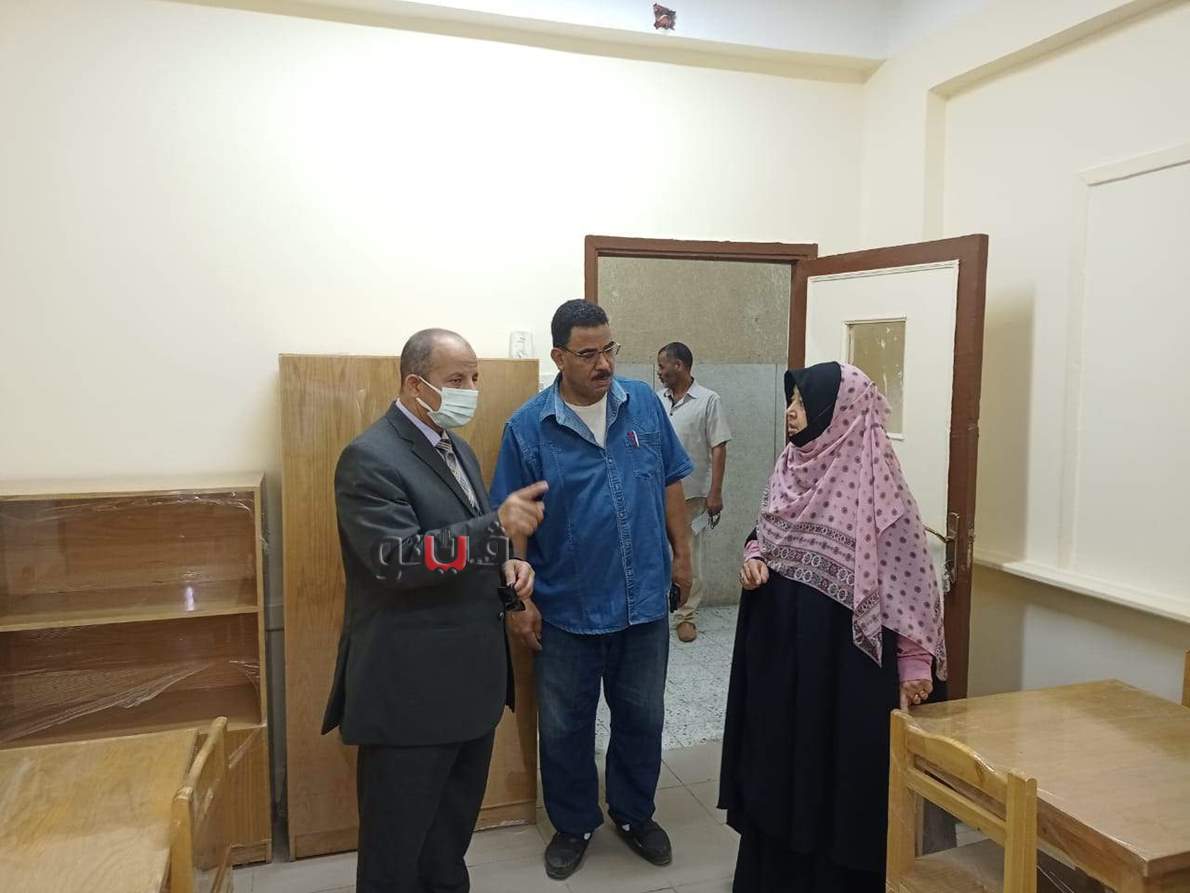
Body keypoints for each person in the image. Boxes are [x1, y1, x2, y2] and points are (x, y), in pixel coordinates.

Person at [322, 328, 548, 893]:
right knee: (395, 852)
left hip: (469, 687)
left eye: (474, 377)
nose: (470, 389)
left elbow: (464, 540)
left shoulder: (457, 449)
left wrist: (506, 566)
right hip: (411, 695)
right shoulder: (370, 457)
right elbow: (397, 560)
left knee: (448, 842)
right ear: (414, 385)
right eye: (456, 379)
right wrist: (495, 528)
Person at [718, 362, 947, 893]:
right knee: (780, 767)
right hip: (781, 658)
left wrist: (915, 662)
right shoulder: (789, 467)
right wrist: (754, 557)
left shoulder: (879, 486)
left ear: (839, 413)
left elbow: (911, 580)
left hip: (848, 669)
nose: (791, 413)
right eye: (791, 401)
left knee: (839, 779)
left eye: (803, 403)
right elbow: (764, 531)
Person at [490, 300, 694, 880]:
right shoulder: (528, 427)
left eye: (609, 349)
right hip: (567, 610)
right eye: (587, 353)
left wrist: (683, 557)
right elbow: (514, 520)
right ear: (559, 356)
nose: (603, 363)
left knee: (642, 719)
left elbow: (670, 482)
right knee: (564, 728)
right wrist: (520, 601)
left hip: (643, 603)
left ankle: (633, 814)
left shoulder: (644, 405)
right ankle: (574, 823)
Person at [656, 341, 732, 643]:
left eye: (662, 366)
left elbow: (719, 447)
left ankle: (685, 616)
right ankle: (657, 612)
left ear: (679, 366)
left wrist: (716, 493)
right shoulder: (656, 400)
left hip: (691, 494)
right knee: (656, 553)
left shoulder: (708, 400)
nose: (659, 372)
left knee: (689, 555)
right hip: (655, 493)